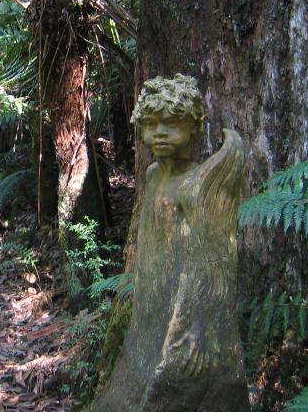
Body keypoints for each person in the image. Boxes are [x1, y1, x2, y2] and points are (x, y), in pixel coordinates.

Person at [89, 75, 248, 412]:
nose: (159, 133)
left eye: (171, 124)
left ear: (193, 127)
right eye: (150, 124)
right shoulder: (151, 176)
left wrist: (200, 328)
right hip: (152, 311)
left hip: (188, 324)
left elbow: (215, 262)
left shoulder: (198, 186)